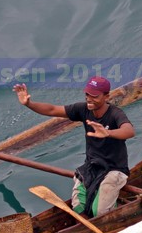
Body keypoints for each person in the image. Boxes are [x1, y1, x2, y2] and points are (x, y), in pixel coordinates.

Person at [12, 76, 135, 217]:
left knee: (100, 213)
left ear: (106, 96)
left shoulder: (115, 113)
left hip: (114, 169)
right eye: (87, 94)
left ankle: (116, 209)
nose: (89, 99)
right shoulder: (83, 109)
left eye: (94, 96)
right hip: (92, 166)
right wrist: (29, 104)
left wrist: (108, 132)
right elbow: (52, 110)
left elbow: (129, 131)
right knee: (78, 208)